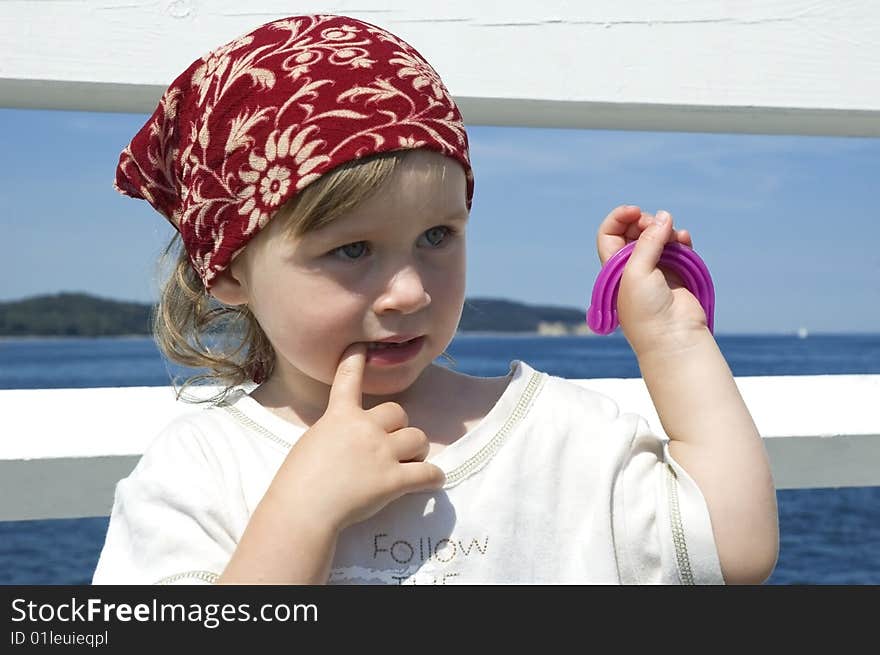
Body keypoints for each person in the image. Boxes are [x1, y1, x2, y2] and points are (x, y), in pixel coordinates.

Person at [92, 14, 778, 585]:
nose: (411, 290)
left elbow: (732, 548)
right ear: (230, 270)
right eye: (352, 250)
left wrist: (673, 338)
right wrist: (299, 515)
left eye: (437, 235)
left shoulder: (558, 436)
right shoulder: (203, 473)